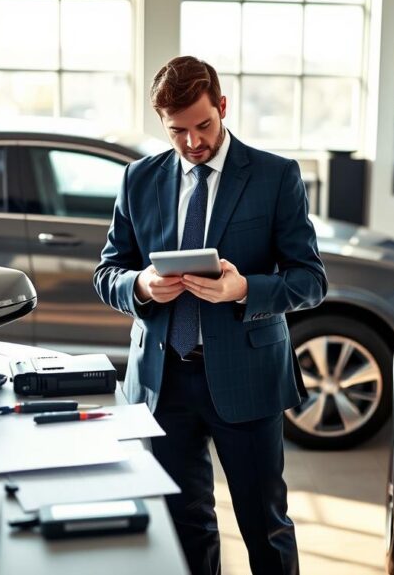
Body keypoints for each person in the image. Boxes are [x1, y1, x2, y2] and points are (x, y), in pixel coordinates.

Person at [93, 55, 327, 575]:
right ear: (162, 123)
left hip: (246, 379)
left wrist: (246, 290)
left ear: (222, 106)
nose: (193, 142)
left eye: (203, 125)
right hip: (162, 383)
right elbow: (107, 271)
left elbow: (310, 280)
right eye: (178, 131)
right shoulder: (139, 179)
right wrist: (142, 287)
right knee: (184, 526)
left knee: (264, 526)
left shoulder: (275, 176)